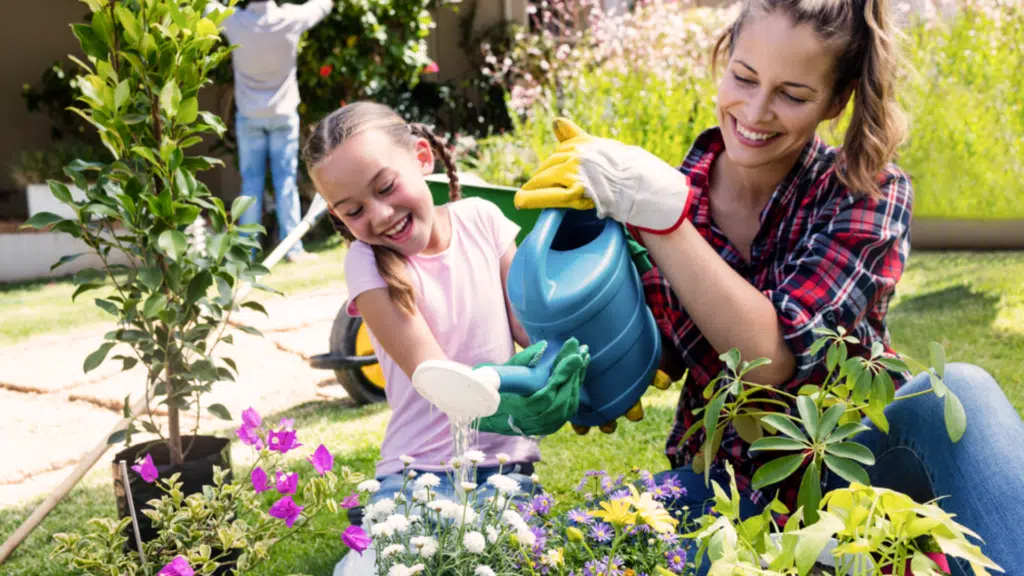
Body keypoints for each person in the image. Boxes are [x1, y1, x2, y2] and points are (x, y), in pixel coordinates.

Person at [513, 0, 1024, 573]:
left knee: (961, 391)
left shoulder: (866, 193)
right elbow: (630, 358)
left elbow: (771, 357)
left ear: (835, 100)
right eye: (744, 77)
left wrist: (663, 221)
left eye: (793, 95)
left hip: (860, 477)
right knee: (611, 536)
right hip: (728, 485)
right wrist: (553, 370)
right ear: (725, 59)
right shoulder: (653, 197)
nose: (756, 111)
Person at [302, 101, 551, 574]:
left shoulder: (483, 220)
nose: (379, 216)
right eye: (354, 210)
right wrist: (527, 383)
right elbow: (437, 376)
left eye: (386, 187)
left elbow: (531, 330)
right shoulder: (366, 261)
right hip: (418, 476)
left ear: (422, 157)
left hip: (505, 471)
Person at [206, 0, 332, 262]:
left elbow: (206, 7)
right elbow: (322, 6)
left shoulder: (235, 21)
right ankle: (293, 250)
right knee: (285, 181)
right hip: (283, 114)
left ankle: (247, 251)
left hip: (249, 116)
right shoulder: (289, 18)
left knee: (250, 183)